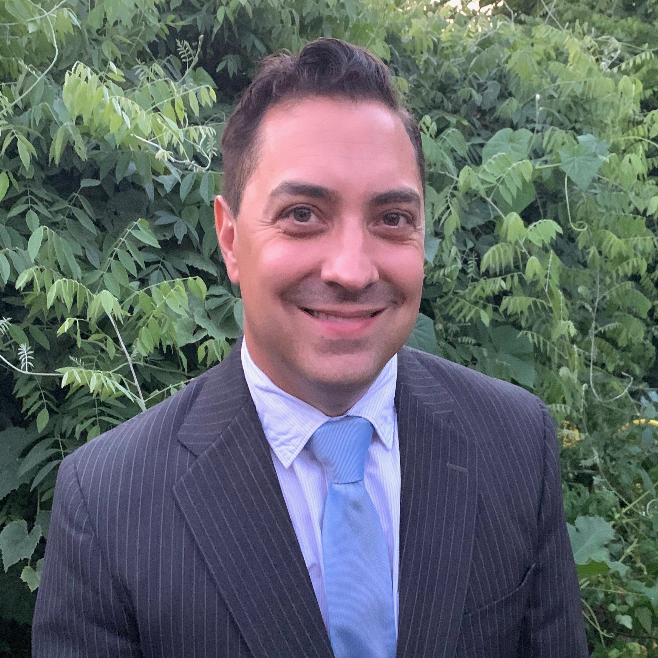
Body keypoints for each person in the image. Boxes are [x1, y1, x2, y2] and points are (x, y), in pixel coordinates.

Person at [32, 38, 589, 658]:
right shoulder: (108, 501)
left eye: (392, 218)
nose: (352, 270)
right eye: (302, 214)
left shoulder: (514, 443)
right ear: (230, 238)